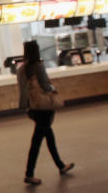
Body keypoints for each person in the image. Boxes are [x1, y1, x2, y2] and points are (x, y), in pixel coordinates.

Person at [17, 40, 74, 185]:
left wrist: (24, 106)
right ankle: (29, 174)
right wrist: (53, 89)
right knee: (37, 142)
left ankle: (61, 165)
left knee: (49, 135)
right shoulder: (39, 66)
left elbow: (22, 89)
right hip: (44, 108)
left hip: (32, 108)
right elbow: (45, 85)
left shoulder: (21, 69)